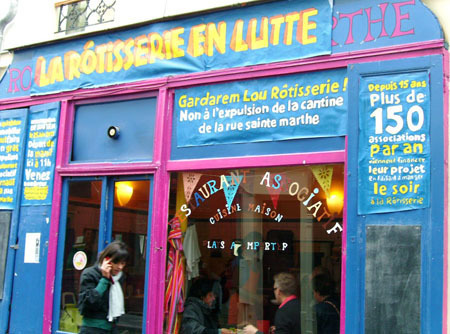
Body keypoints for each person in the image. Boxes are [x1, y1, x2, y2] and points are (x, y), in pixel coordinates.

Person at [78, 240, 129, 334]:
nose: (120, 267)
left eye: (123, 263)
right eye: (116, 263)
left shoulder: (118, 278)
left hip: (111, 329)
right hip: (92, 329)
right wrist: (104, 280)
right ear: (107, 260)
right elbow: (88, 304)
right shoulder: (90, 274)